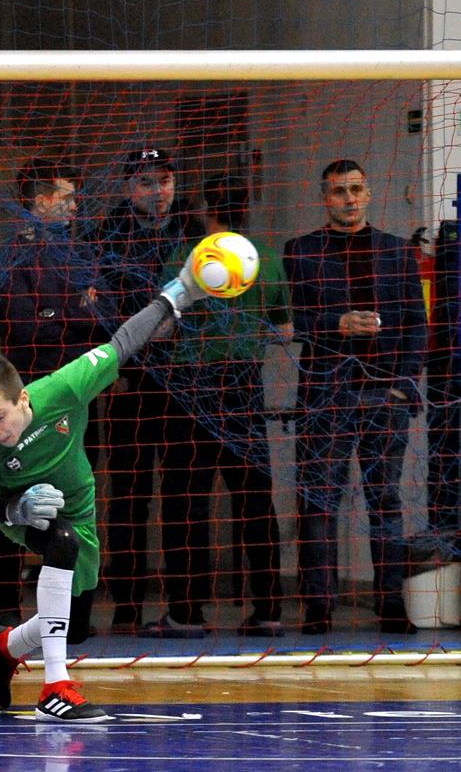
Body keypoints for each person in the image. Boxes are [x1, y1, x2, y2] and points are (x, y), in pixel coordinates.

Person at [0, 244, 212, 722]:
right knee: (61, 543)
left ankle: (5, 645)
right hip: (25, 514)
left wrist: (176, 295)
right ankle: (55, 690)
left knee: (73, 623)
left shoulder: (64, 389)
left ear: (22, 398)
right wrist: (16, 509)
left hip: (79, 506)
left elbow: (123, 342)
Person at [141, 174, 294, 638]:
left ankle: (186, 612)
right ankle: (268, 610)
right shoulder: (267, 259)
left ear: (206, 208)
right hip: (245, 388)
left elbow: (162, 327)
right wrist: (245, 332)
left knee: (186, 500)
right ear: (247, 206)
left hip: (194, 388)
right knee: (254, 499)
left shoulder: (186, 258)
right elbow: (285, 331)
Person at [282, 159, 427, 635]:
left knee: (385, 500)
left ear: (369, 193)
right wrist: (337, 324)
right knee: (319, 501)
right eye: (339, 191)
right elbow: (294, 323)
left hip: (384, 396)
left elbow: (417, 326)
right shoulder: (301, 251)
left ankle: (391, 604)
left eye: (356, 189)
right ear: (325, 198)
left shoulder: (397, 251)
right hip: (326, 396)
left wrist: (404, 385)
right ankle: (318, 607)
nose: (349, 199)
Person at [0, 157, 106, 626]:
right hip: (27, 400)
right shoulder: (11, 256)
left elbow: (105, 318)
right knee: (17, 500)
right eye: (67, 197)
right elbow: (23, 328)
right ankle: (3, 607)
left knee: (77, 502)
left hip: (76, 400)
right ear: (40, 200)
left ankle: (73, 611)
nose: (75, 207)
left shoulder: (83, 253)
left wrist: (64, 315)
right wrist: (77, 312)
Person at [95, 146, 203, 634]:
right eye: (145, 182)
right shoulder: (105, 235)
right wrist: (114, 365)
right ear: (128, 188)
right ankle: (127, 606)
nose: (157, 191)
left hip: (186, 382)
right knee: (128, 498)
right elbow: (97, 309)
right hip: (130, 383)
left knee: (184, 497)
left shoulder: (197, 235)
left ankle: (186, 605)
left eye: (165, 180)